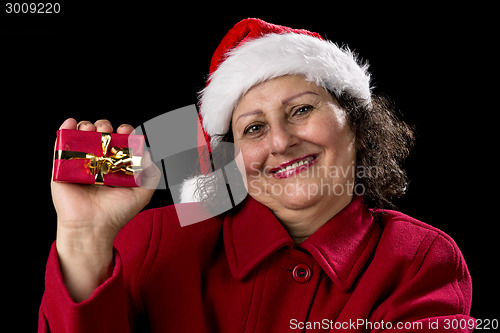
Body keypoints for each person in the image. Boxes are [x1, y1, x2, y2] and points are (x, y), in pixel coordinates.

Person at [39, 18, 474, 332]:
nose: (280, 143)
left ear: (357, 123)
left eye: (302, 109)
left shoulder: (419, 259)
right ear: (232, 156)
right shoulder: (155, 239)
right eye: (254, 128)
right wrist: (83, 237)